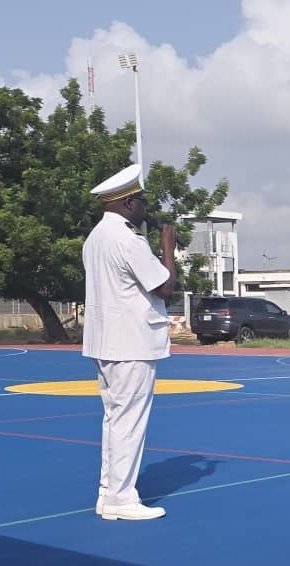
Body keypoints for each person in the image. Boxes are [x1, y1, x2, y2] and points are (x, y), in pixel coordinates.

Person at [83, 164, 177, 521]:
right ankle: (123, 498)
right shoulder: (128, 239)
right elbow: (164, 286)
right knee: (129, 421)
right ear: (127, 203)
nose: (144, 209)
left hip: (106, 341)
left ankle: (109, 493)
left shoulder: (96, 237)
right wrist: (166, 248)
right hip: (131, 343)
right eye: (140, 202)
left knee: (114, 418)